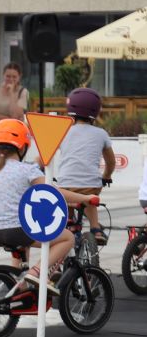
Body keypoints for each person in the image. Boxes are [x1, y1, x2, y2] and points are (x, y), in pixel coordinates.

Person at [0, 119, 94, 290]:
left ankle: (17, 287)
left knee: (24, 245)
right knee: (67, 237)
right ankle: (35, 274)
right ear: (22, 147)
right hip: (18, 230)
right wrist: (85, 198)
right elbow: (53, 191)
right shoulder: (27, 170)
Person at [54, 87, 114, 245]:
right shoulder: (101, 134)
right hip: (90, 186)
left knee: (66, 196)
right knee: (91, 194)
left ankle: (69, 222)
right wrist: (106, 177)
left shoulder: (62, 131)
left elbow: (45, 156)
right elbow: (111, 162)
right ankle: (96, 228)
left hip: (65, 185)